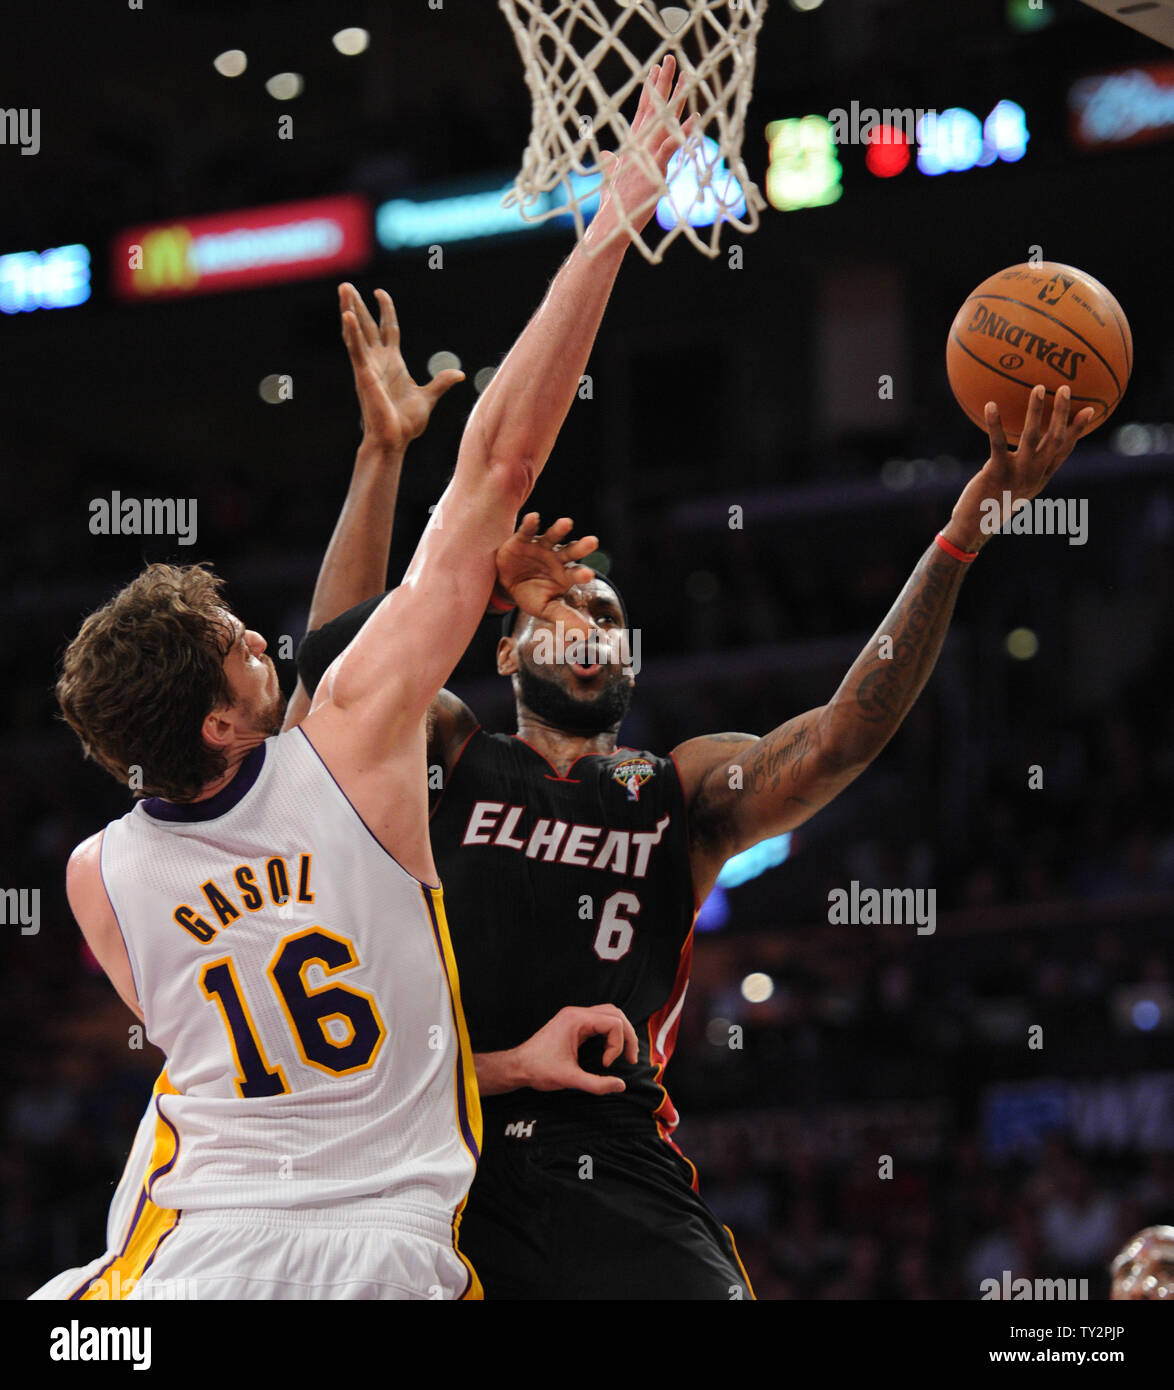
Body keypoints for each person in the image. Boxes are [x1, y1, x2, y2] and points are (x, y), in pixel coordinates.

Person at [30, 59, 689, 1302]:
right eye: (234, 636)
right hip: (385, 1261)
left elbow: (297, 1069)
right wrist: (609, 223)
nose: (257, 636)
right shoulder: (353, 746)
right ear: (224, 716)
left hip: (175, 1267)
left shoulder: (95, 877)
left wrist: (502, 1063)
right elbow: (498, 464)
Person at [296, 384, 1095, 1300]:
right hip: (435, 1145)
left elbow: (842, 735)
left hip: (613, 1150)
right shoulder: (444, 748)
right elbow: (332, 670)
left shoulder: (681, 789)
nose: (590, 628)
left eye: (607, 617)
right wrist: (447, 559)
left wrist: (962, 535)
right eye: (559, 608)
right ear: (507, 649)